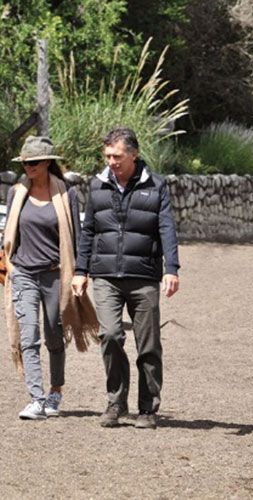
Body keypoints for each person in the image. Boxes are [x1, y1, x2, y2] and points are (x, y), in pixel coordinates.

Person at [71, 127, 180, 429]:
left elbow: (166, 229)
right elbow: (88, 231)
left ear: (134, 154)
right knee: (109, 336)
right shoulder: (97, 186)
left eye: (117, 156)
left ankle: (147, 408)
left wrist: (171, 268)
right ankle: (115, 403)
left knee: (148, 344)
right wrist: (81, 271)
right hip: (105, 275)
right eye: (107, 156)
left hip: (144, 275)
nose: (111, 161)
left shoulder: (156, 186)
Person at [2, 136, 99, 420]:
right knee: (29, 336)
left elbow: (77, 236)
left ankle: (56, 391)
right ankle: (36, 398)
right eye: (24, 163)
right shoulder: (16, 192)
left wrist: (80, 272)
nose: (28, 167)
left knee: (55, 336)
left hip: (57, 274)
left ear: (47, 162)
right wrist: (8, 262)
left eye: (33, 162)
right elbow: (8, 231)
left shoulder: (66, 194)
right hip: (23, 273)